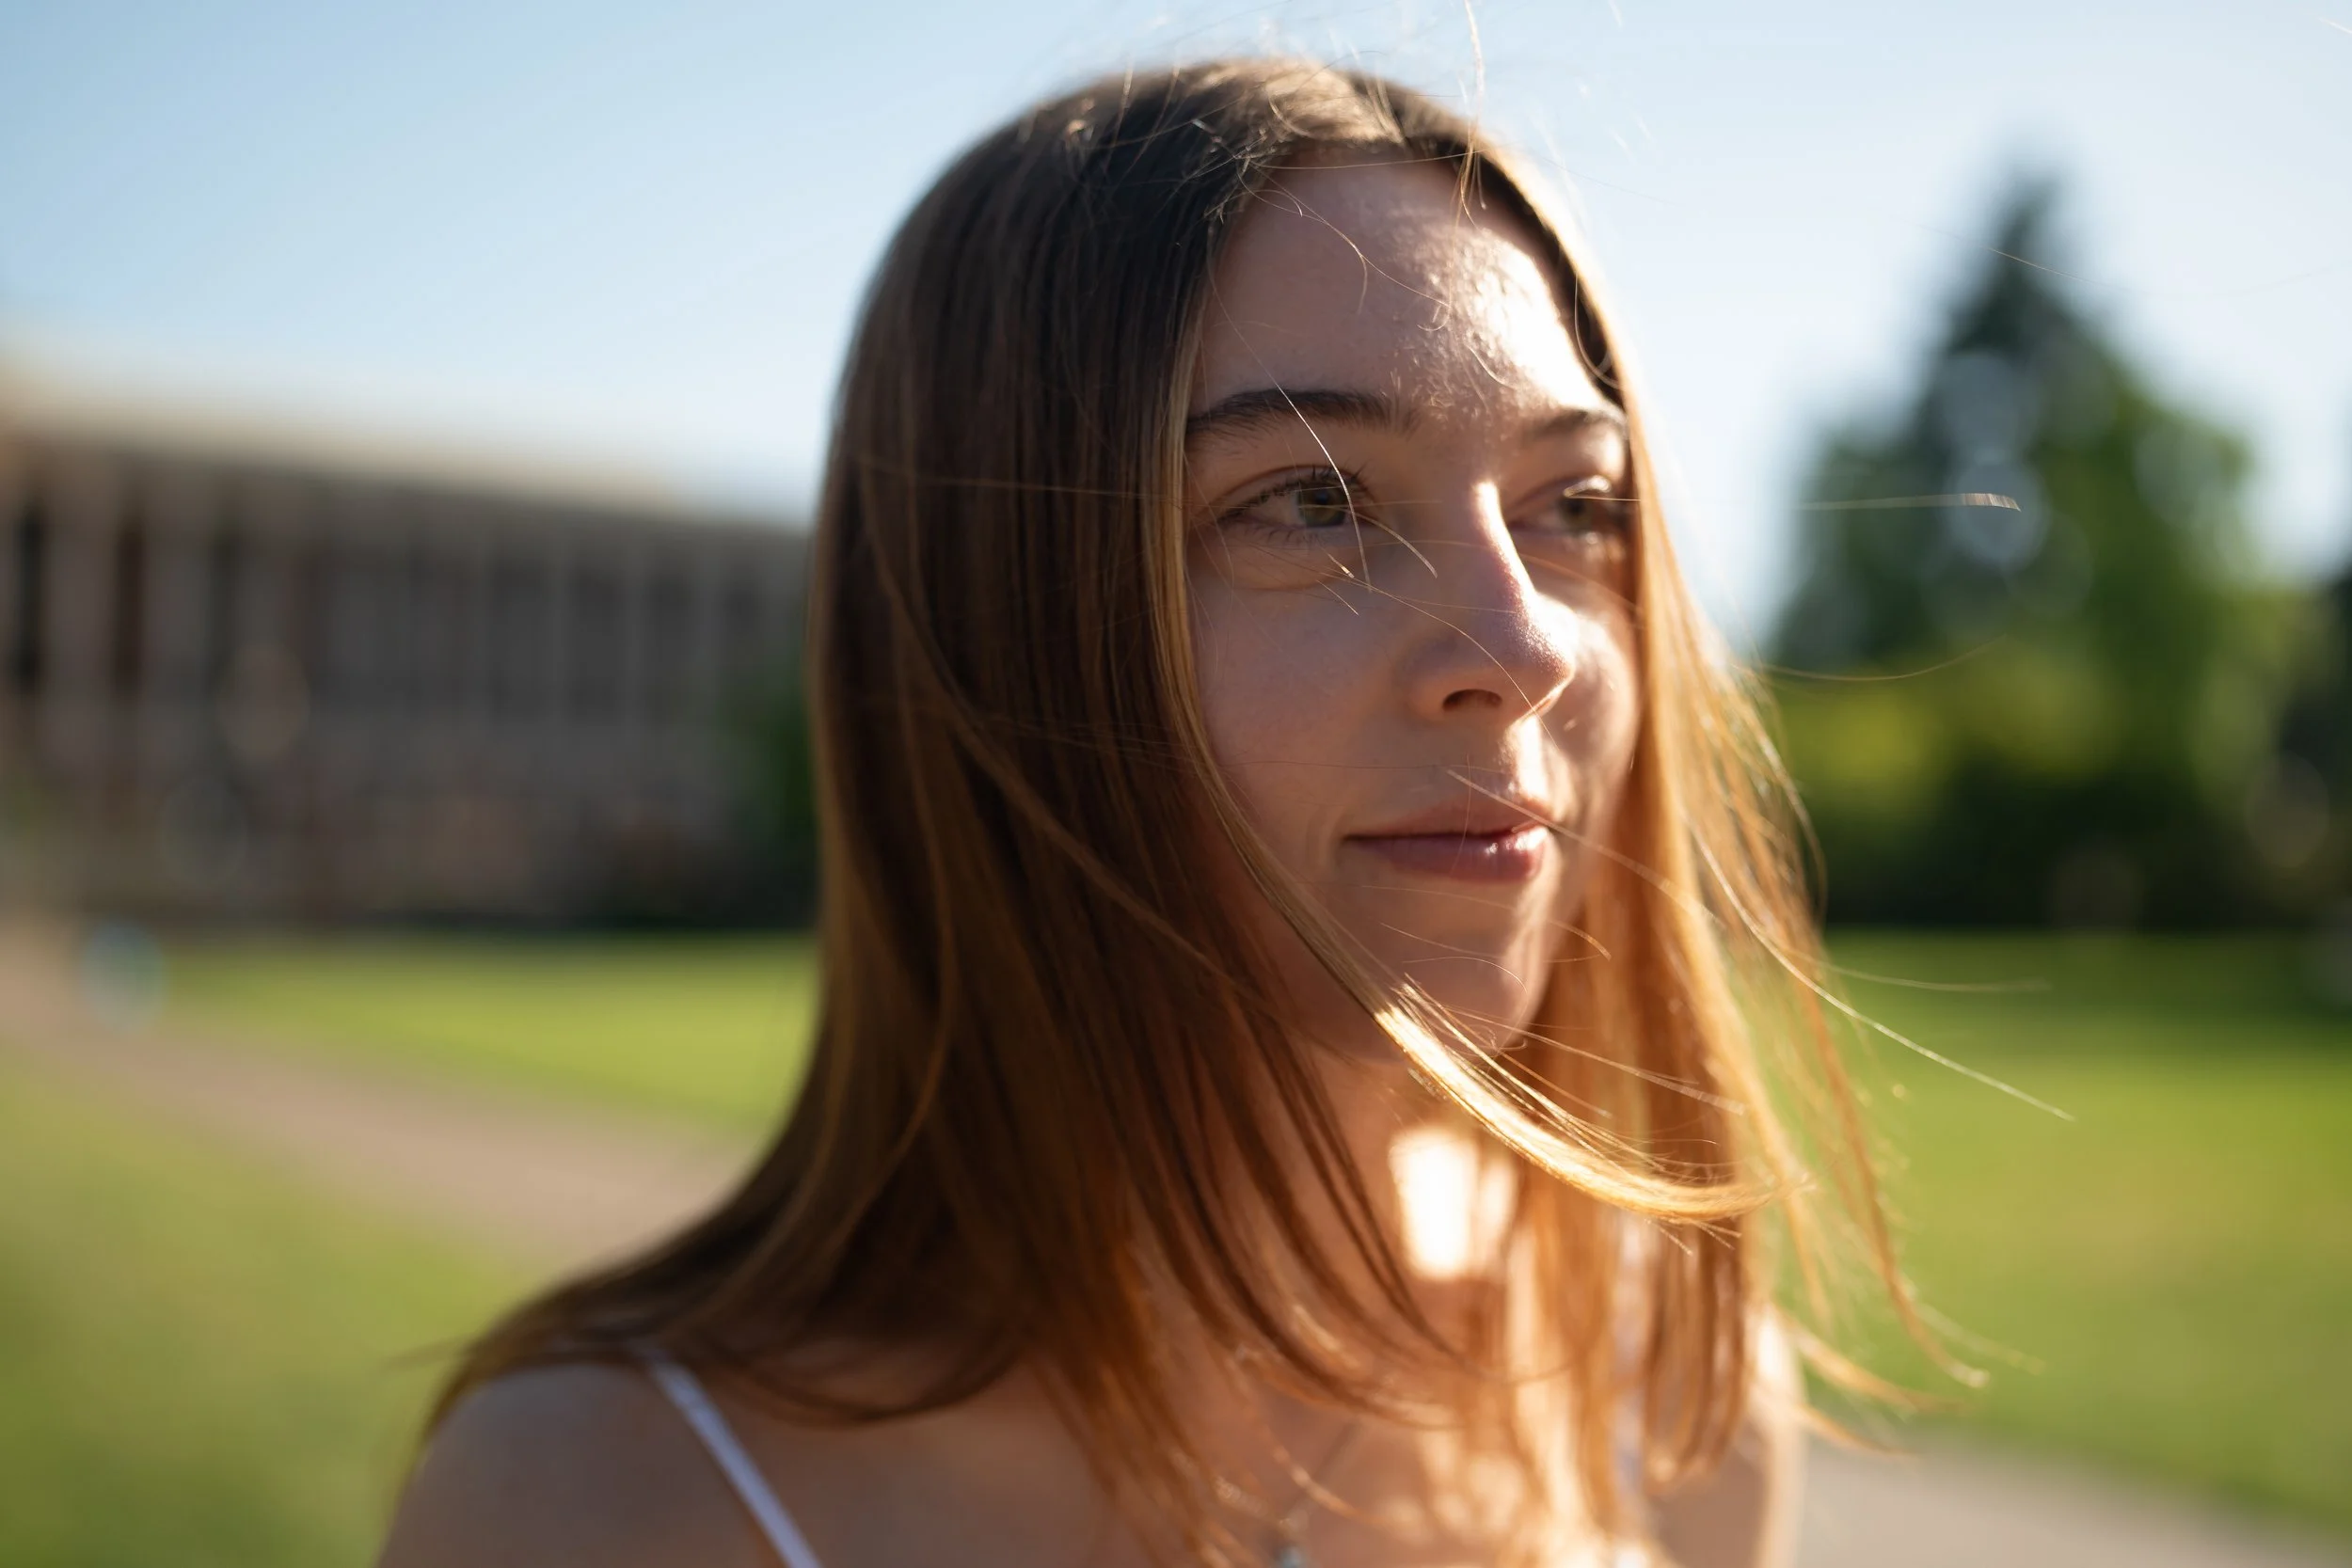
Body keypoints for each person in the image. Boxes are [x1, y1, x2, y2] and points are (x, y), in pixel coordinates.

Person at [379, 59, 1919, 1568]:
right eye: (1314, 500)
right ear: (997, 623)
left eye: (1573, 504)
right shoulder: (607, 1499)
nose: (1522, 648)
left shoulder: (1664, 1397)